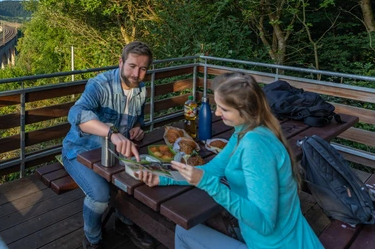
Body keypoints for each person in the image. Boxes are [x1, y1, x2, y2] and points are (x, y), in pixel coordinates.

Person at [136, 72, 324, 249]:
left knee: (184, 231)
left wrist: (210, 185)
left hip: (275, 244)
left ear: (245, 110)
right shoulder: (245, 131)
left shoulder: (254, 146)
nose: (217, 113)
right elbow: (212, 170)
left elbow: (265, 223)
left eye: (224, 108)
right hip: (279, 238)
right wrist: (163, 178)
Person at [62, 41, 155, 249]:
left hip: (116, 154)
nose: (136, 74)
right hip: (80, 151)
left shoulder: (141, 89)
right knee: (100, 195)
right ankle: (93, 237)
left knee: (140, 181)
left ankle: (125, 222)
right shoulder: (100, 84)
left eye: (142, 69)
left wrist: (138, 127)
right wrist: (113, 134)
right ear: (121, 63)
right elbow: (76, 114)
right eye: (132, 66)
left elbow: (139, 118)